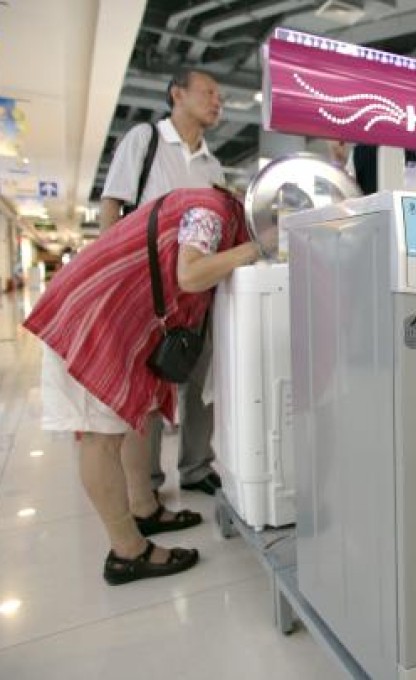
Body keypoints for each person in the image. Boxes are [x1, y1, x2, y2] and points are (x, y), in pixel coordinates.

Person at [23, 188, 262, 584]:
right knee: (102, 436)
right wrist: (254, 249)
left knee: (140, 414)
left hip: (117, 318)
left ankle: (143, 508)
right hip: (93, 319)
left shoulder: (213, 210)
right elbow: (190, 273)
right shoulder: (211, 210)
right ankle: (126, 552)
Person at [99, 68, 226, 496]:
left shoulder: (213, 165)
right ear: (177, 94)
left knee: (198, 380)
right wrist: (112, 274)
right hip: (146, 292)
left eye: (219, 95)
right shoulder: (145, 141)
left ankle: (196, 467)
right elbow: (112, 205)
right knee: (150, 389)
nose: (217, 101)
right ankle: (146, 482)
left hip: (197, 294)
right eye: (208, 92)